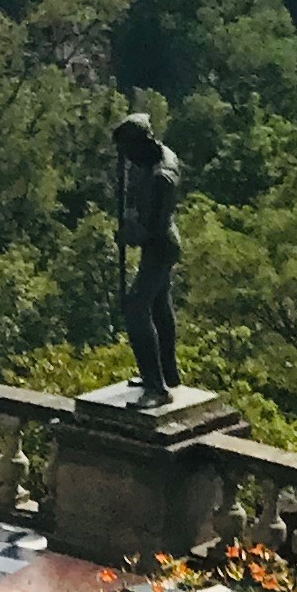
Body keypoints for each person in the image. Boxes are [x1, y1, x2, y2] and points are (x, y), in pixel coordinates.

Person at [114, 110, 184, 405]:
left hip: (160, 246)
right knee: (158, 305)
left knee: (135, 308)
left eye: (129, 151)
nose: (128, 159)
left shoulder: (161, 178)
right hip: (159, 242)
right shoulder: (153, 156)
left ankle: (157, 388)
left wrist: (129, 235)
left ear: (143, 144)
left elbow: (151, 229)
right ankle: (168, 372)